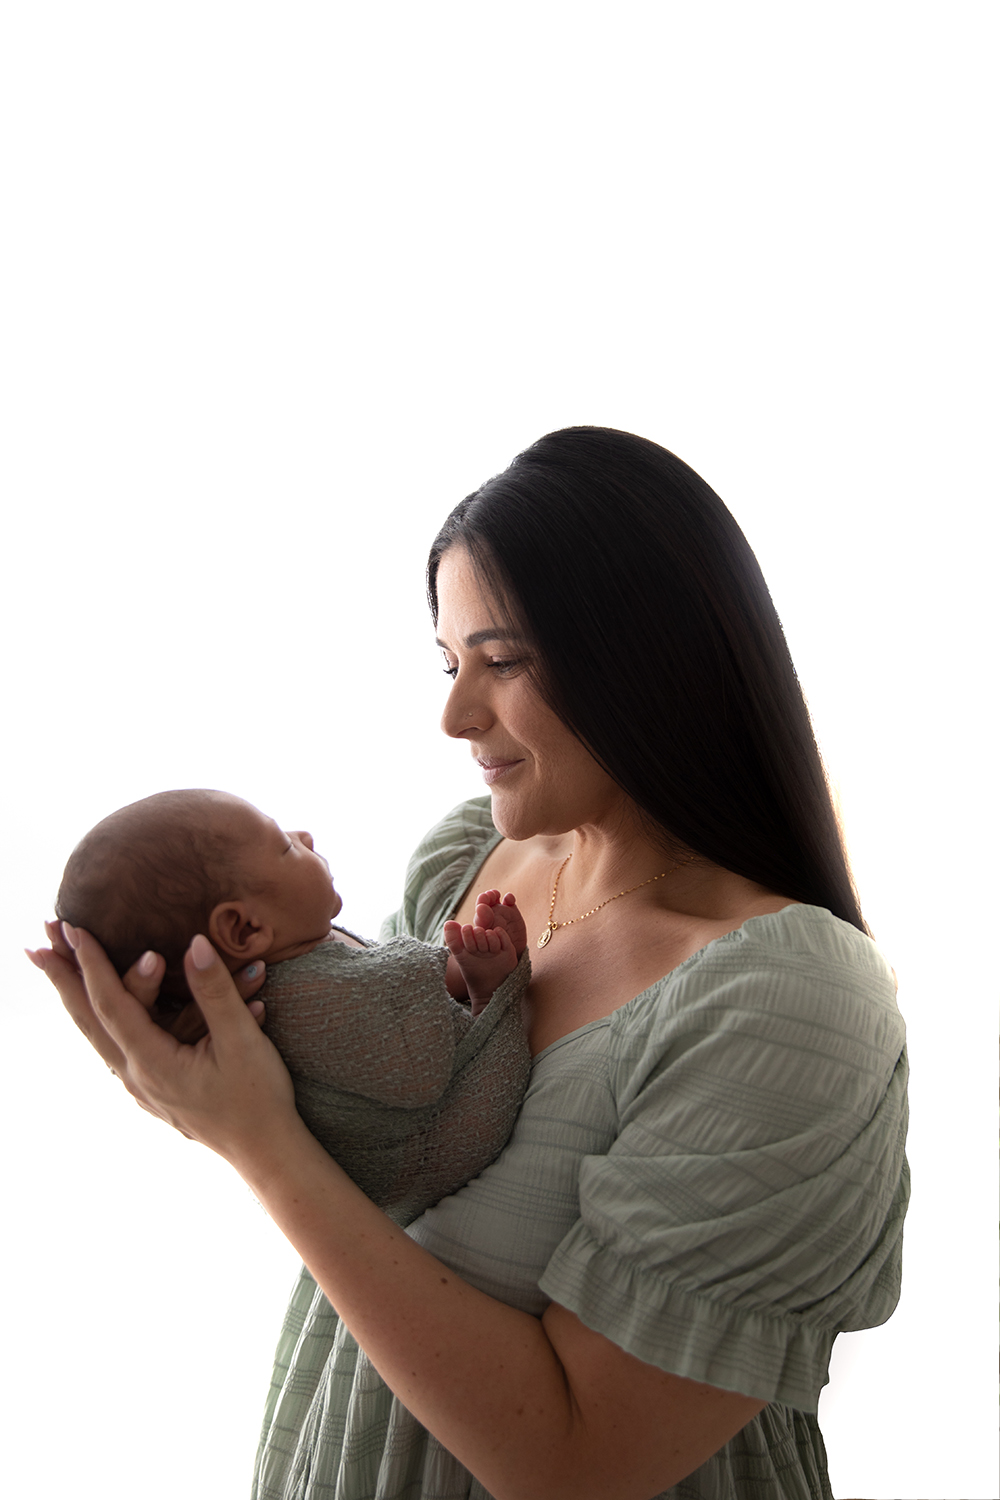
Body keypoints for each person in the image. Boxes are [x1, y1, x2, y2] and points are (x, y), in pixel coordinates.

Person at [30, 426, 908, 1500]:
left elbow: (577, 1465)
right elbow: (364, 1167)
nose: (453, 715)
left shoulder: (787, 1001)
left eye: (502, 661)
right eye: (450, 664)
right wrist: (186, 1064)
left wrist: (254, 1142)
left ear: (649, 659)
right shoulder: (464, 865)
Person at [53, 788, 531, 1224]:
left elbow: (384, 985)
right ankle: (490, 995)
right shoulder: (305, 998)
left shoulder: (275, 980)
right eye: (285, 846)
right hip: (441, 1143)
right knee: (495, 1025)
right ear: (244, 929)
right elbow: (405, 1026)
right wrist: (460, 971)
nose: (305, 836)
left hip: (357, 1204)